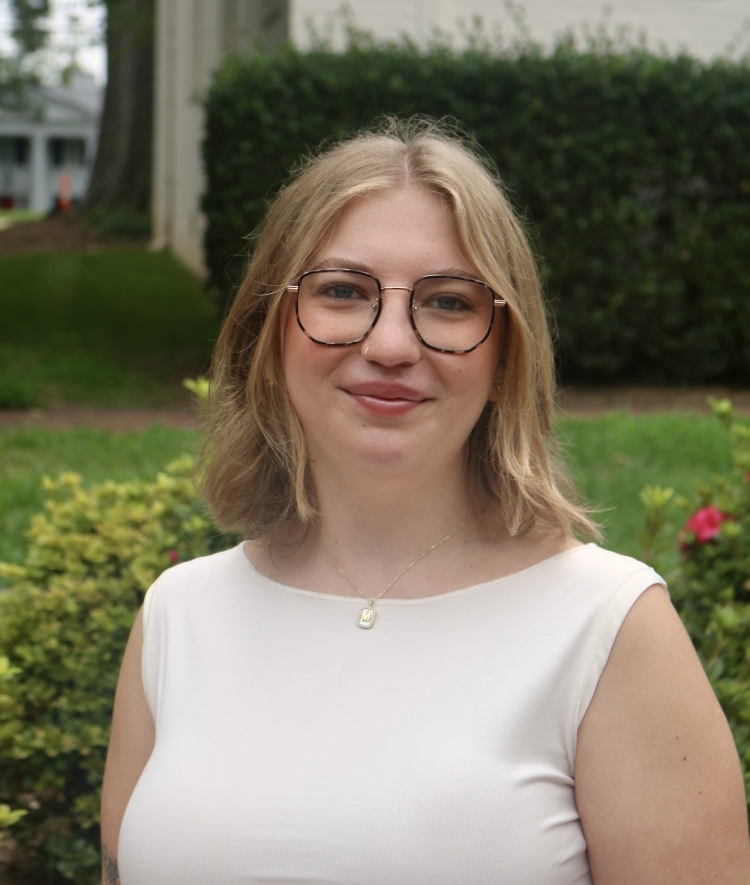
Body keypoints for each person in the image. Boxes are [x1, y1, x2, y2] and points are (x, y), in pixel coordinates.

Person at [101, 118, 750, 885]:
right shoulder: (180, 616)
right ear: (269, 327)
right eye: (342, 291)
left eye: (447, 302)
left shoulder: (609, 627)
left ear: (506, 348)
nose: (391, 345)